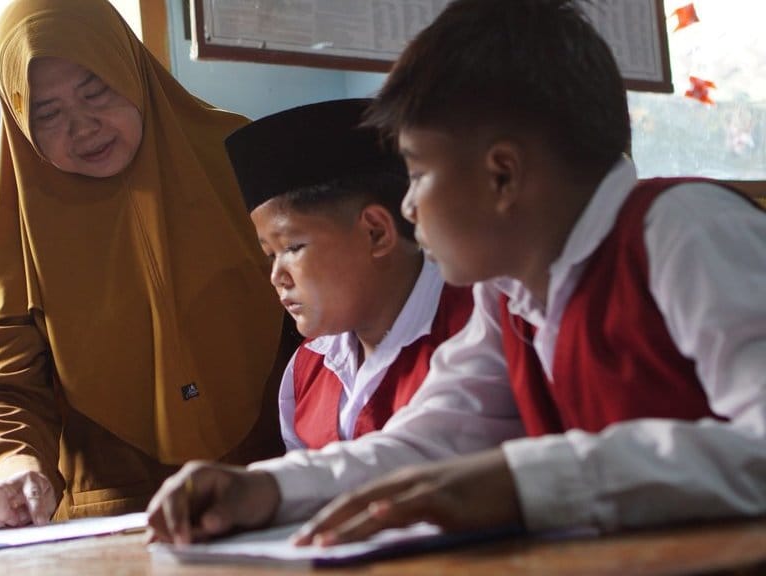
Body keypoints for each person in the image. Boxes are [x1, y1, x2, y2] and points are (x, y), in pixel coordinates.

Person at [147, 0, 766, 547]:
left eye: (416, 174)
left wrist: (523, 479)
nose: (409, 207)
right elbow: (428, 443)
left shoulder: (682, 232)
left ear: (501, 175)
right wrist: (270, 489)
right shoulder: (511, 297)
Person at [0, 0, 294, 530]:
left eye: (96, 91)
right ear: (20, 122)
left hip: (274, 489)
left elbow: (331, 313)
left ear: (129, 68)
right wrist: (12, 463)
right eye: (48, 113)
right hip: (117, 519)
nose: (84, 127)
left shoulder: (245, 159)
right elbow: (2, 382)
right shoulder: (25, 224)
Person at [224, 98, 473, 451]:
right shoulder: (308, 366)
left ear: (376, 233)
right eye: (270, 255)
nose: (277, 276)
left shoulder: (474, 331)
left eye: (292, 247)